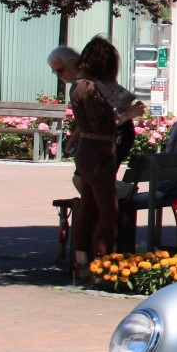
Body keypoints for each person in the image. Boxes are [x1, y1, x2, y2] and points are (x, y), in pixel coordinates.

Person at [68, 36, 125, 277]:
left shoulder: (82, 85)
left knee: (89, 208)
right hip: (97, 153)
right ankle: (99, 264)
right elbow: (100, 125)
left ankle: (82, 263)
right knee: (108, 210)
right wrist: (127, 114)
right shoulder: (88, 88)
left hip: (92, 152)